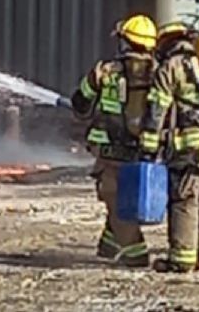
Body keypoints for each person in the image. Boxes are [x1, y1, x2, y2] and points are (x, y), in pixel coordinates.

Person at [140, 21, 199, 272]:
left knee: (184, 200)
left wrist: (149, 146)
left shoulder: (171, 67)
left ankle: (181, 261)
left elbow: (156, 109)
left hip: (192, 147)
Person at [71, 15, 158, 267]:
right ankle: (109, 245)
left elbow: (81, 105)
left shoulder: (105, 71)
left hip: (109, 152)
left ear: (125, 43)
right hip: (144, 150)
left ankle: (135, 253)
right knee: (123, 198)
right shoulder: (160, 72)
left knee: (114, 199)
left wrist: (92, 85)